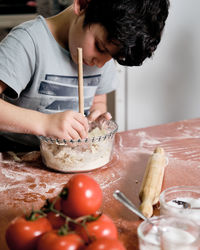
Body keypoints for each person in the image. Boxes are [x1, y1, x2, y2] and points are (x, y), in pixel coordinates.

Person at [0, 0, 170, 151]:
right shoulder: (28, 43)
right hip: (17, 156)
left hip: (70, 156)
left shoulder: (101, 57)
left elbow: (97, 100)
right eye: (100, 47)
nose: (101, 63)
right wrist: (44, 124)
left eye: (112, 57)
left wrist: (96, 116)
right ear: (82, 4)